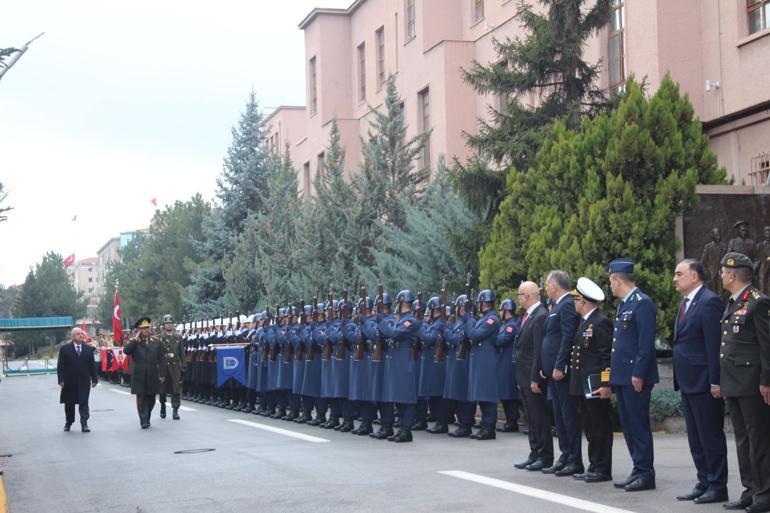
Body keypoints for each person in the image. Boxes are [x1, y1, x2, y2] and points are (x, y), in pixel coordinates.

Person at [671, 259, 728, 504]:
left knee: (709, 436)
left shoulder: (709, 301)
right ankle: (704, 480)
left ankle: (717, 485)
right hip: (687, 381)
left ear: (695, 277)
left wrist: (716, 381)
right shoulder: (686, 303)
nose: (674, 278)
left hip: (705, 382)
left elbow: (714, 345)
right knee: (695, 437)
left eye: (679, 274)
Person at [718, 252, 770, 513]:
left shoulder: (758, 302)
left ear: (732, 275)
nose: (721, 277)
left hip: (752, 384)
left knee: (758, 440)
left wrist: (766, 381)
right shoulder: (734, 302)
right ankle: (750, 490)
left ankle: (765, 494)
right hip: (735, 383)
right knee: (742, 440)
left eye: (723, 273)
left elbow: (767, 345)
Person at [607, 258, 658, 492]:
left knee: (638, 425)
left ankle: (646, 473)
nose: (610, 286)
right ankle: (638, 469)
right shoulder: (624, 305)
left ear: (618, 280)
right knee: (628, 425)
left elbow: (645, 344)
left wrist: (638, 373)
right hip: (622, 376)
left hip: (635, 377)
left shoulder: (641, 303)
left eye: (610, 281)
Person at [569, 277, 613, 483]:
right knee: (590, 427)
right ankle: (594, 465)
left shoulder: (600, 322)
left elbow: (605, 357)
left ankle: (602, 468)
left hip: (595, 385)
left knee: (599, 427)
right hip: (583, 384)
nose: (574, 303)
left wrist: (605, 384)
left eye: (576, 299)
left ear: (584, 301)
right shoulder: (585, 322)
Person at [540, 270, 582, 476]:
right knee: (559, 416)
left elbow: (567, 337)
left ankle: (575, 459)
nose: (546, 288)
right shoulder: (557, 305)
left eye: (547, 284)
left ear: (555, 286)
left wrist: (559, 365)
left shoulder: (567, 304)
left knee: (568, 415)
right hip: (552, 372)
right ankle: (565, 455)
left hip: (561, 372)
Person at [513, 281, 553, 471]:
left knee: (539, 417)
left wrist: (535, 378)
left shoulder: (540, 316)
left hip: (533, 377)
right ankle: (535, 452)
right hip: (524, 377)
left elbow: (538, 351)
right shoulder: (530, 316)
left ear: (527, 296)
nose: (518, 298)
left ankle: (545, 455)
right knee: (531, 417)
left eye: (520, 295)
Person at [380, 290, 422, 442]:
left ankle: (406, 428)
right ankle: (402, 428)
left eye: (399, 303)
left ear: (403, 303)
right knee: (398, 396)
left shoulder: (411, 321)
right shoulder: (399, 319)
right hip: (396, 360)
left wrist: (382, 322)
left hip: (404, 361)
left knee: (406, 397)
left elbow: (395, 334)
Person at [465, 289, 501, 440]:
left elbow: (474, 334)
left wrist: (469, 320)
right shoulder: (484, 319)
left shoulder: (491, 320)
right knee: (482, 394)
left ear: (483, 303)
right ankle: (485, 426)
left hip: (487, 360)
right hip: (480, 359)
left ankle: (489, 428)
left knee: (487, 394)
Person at [123, 317, 166, 429]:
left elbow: (162, 359)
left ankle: (147, 417)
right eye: (143, 328)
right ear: (139, 330)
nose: (146, 330)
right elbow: (126, 351)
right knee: (141, 398)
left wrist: (162, 374)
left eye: (147, 327)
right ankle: (143, 420)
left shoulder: (157, 342)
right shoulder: (135, 342)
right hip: (140, 374)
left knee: (151, 398)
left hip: (152, 373)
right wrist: (135, 340)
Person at [57, 327, 98, 432]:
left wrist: (94, 379)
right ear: (73, 337)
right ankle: (69, 422)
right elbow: (60, 366)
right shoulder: (65, 349)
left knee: (84, 402)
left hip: (84, 381)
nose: (81, 335)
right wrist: (61, 380)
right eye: (78, 334)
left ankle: (84, 424)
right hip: (69, 381)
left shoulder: (88, 349)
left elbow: (92, 365)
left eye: (82, 334)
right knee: (69, 403)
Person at [158, 314, 185, 420]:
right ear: (164, 325)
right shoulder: (160, 337)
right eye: (166, 323)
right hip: (164, 365)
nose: (169, 325)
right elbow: (157, 354)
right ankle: (163, 406)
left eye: (170, 323)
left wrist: (184, 366)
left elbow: (182, 353)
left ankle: (175, 410)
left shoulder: (178, 337)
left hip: (175, 365)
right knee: (162, 388)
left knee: (176, 388)